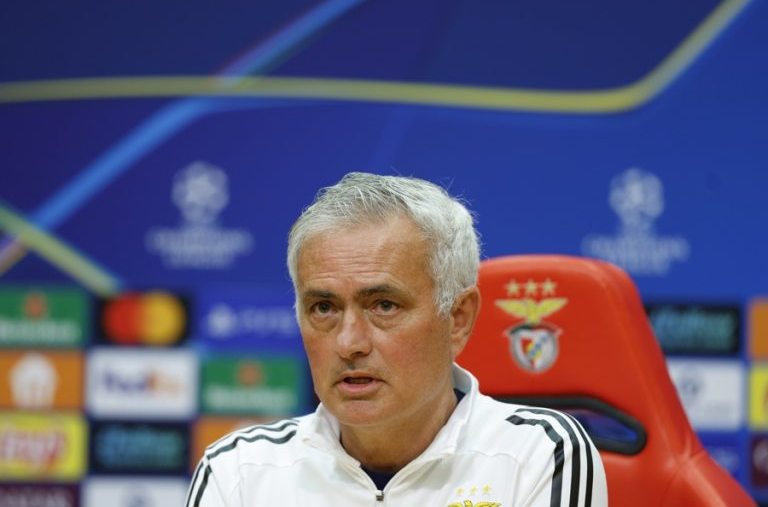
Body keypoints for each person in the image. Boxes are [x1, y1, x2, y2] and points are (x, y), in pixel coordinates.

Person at [187, 172, 608, 506]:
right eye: (324, 308)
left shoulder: (538, 453)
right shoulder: (238, 470)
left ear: (458, 318)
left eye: (384, 305)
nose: (349, 343)